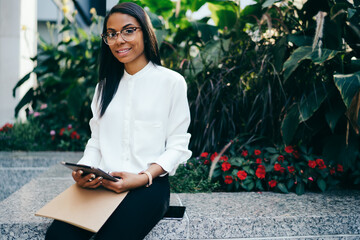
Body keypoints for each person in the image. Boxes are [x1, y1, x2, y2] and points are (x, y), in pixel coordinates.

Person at [45, 2, 191, 240]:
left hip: (148, 186)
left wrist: (143, 177)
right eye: (111, 34)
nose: (119, 40)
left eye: (128, 30)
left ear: (145, 31)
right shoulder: (103, 88)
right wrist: (85, 170)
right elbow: (96, 141)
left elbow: (177, 145)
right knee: (58, 237)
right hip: (103, 184)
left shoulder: (172, 82)